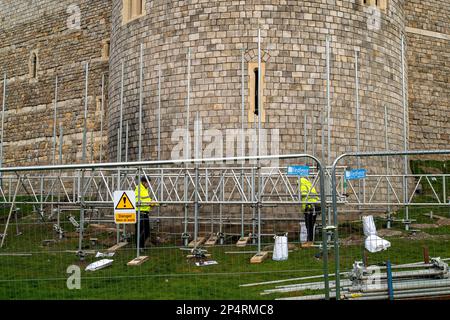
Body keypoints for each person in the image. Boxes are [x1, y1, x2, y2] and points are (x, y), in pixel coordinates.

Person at [135, 176, 158, 251]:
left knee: (143, 231)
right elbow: (145, 201)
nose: (149, 184)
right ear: (144, 182)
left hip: (143, 213)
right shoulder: (140, 189)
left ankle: (140, 247)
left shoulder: (144, 189)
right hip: (140, 213)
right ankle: (140, 247)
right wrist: (153, 203)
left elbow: (147, 200)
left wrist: (155, 203)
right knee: (144, 231)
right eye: (148, 183)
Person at [300, 177, 320, 248]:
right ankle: (309, 240)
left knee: (309, 225)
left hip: (310, 208)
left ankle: (310, 242)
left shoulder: (302, 184)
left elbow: (303, 194)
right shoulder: (309, 184)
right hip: (313, 206)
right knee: (309, 225)